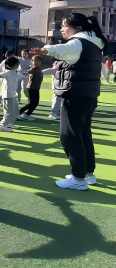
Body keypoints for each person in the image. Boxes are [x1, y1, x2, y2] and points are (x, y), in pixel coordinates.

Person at [31, 13, 106, 190]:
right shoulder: (95, 43)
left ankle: (78, 179)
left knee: (69, 136)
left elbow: (62, 49)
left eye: (65, 25)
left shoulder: (78, 42)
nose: (62, 29)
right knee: (84, 134)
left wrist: (45, 50)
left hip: (75, 96)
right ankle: (88, 174)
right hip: (88, 95)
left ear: (77, 28)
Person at [0, 57, 26, 132]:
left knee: (16, 111)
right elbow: (2, 75)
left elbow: (22, 77)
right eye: (17, 64)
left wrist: (27, 74)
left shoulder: (15, 72)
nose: (18, 65)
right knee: (9, 112)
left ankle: (9, 123)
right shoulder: (8, 72)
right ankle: (2, 125)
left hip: (13, 94)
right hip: (7, 95)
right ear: (14, 65)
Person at [18, 55, 43, 122]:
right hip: (31, 88)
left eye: (38, 61)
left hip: (36, 88)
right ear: (32, 61)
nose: (37, 62)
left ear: (40, 62)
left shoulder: (38, 68)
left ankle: (27, 115)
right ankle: (19, 112)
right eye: (35, 61)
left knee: (36, 103)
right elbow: (29, 71)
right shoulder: (33, 69)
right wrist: (26, 72)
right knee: (32, 103)